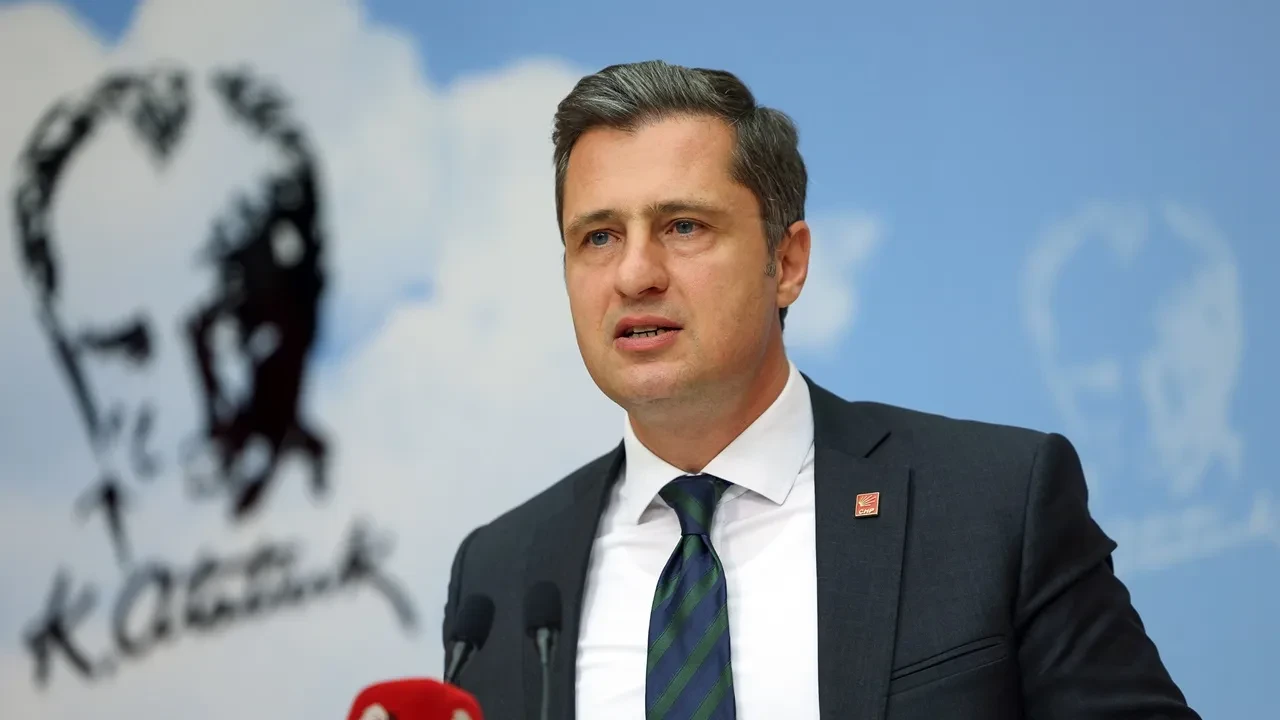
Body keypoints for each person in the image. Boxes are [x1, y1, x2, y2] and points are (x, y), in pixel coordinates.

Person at [441, 60, 1199, 720]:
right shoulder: (500, 575)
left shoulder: (992, 506)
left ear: (789, 262)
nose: (635, 274)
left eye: (683, 226)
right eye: (599, 237)